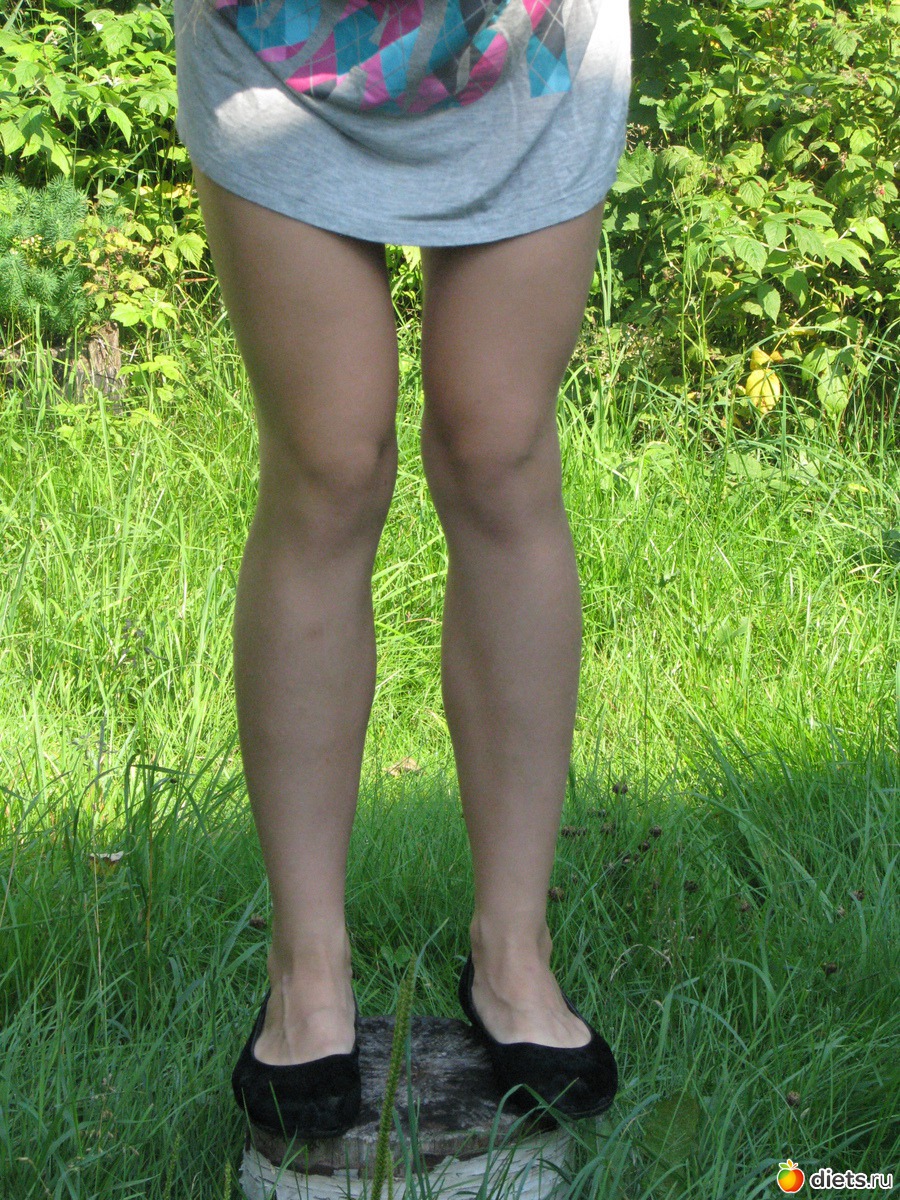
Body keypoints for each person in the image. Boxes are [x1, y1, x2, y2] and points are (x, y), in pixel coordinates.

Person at [172, 0, 630, 1138]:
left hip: (525, 44)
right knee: (328, 467)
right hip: (280, 44)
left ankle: (513, 950)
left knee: (499, 456)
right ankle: (307, 965)